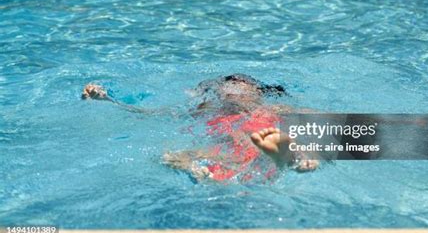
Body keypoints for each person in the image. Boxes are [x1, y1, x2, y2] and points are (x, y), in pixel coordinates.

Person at [81, 74, 319, 182]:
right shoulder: (206, 108)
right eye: (227, 84)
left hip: (256, 149)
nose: (233, 86)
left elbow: (328, 120)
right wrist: (108, 100)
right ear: (217, 93)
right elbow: (149, 115)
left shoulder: (273, 109)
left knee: (264, 144)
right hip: (221, 155)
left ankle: (291, 159)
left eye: (242, 83)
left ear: (259, 93)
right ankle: (197, 170)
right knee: (170, 156)